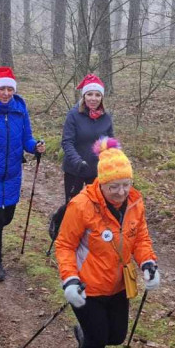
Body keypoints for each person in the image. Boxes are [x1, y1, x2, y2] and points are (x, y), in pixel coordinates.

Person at [55, 137, 160, 348]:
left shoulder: (135, 202)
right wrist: (70, 279)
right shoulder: (81, 205)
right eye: (114, 186)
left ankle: (84, 333)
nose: (121, 192)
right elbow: (64, 245)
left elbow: (140, 237)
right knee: (98, 338)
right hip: (86, 286)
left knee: (116, 336)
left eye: (126, 184)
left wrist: (148, 262)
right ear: (101, 183)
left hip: (118, 283)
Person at [0, 67, 46, 281]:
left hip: (12, 174)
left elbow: (27, 140)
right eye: (1, 88)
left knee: (7, 218)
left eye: (9, 89)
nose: (6, 93)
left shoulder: (20, 111)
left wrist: (35, 147)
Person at [49, 74, 114, 239]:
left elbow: (109, 142)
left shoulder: (106, 117)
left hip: (97, 170)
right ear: (84, 96)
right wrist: (77, 160)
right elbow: (67, 142)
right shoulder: (74, 115)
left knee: (97, 204)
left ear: (102, 97)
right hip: (75, 168)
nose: (93, 98)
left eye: (97, 95)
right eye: (90, 94)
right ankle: (60, 223)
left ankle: (90, 236)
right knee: (73, 204)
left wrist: (114, 161)